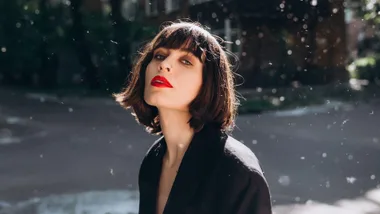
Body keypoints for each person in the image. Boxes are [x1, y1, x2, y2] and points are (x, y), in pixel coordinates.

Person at [114, 20, 272, 214]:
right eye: (159, 55)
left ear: (208, 83)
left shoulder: (236, 172)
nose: (164, 65)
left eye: (186, 61)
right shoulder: (153, 161)